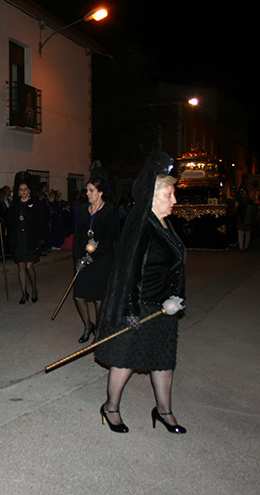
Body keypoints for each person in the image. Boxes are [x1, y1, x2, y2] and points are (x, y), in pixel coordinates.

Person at [95, 151, 187, 435]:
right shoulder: (142, 225)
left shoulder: (165, 224)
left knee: (162, 361)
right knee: (125, 361)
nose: (174, 200)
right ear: (153, 195)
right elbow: (130, 271)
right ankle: (110, 408)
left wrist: (175, 298)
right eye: (169, 194)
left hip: (164, 306)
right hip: (140, 306)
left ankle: (164, 411)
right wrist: (132, 310)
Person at [73, 176, 119, 343]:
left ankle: (99, 330)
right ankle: (88, 326)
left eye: (91, 190)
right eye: (87, 190)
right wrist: (79, 258)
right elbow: (78, 236)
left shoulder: (110, 210)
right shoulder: (84, 209)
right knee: (78, 295)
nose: (87, 193)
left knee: (99, 298)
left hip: (101, 259)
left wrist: (92, 258)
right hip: (84, 258)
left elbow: (108, 240)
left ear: (101, 192)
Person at [7, 172, 45, 304]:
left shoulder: (35, 203)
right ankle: (24, 293)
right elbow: (11, 219)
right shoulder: (16, 204)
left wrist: (41, 237)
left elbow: (41, 221)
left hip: (31, 238)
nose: (23, 192)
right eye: (21, 190)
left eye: (25, 189)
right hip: (19, 238)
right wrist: (3, 220)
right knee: (20, 266)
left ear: (29, 190)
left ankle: (34, 288)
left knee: (29, 266)